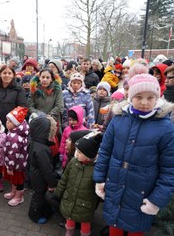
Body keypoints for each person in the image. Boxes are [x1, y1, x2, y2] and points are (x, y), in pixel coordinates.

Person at [93, 74, 174, 236]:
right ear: (130, 96)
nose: (144, 102)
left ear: (157, 97)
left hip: (142, 193)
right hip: (116, 184)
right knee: (114, 225)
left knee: (135, 230)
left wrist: (156, 200)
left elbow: (169, 169)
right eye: (139, 97)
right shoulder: (118, 119)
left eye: (150, 97)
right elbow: (105, 151)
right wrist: (100, 179)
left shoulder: (166, 128)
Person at [55, 131, 102, 236]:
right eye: (76, 150)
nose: (76, 154)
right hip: (70, 200)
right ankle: (69, 232)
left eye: (80, 152)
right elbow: (64, 179)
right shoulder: (73, 162)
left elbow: (98, 190)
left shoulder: (97, 169)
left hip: (85, 205)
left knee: (85, 225)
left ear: (89, 155)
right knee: (69, 220)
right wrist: (58, 192)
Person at [28, 116, 59, 224]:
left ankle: (46, 210)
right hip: (39, 176)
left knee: (40, 194)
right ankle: (34, 215)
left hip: (35, 173)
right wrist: (52, 183)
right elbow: (46, 169)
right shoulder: (42, 149)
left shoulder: (36, 142)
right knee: (38, 195)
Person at [3, 106, 29, 207]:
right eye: (7, 120)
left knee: (19, 180)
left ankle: (19, 197)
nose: (7, 123)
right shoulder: (13, 132)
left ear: (16, 124)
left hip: (17, 165)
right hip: (15, 164)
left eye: (10, 121)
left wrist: (10, 167)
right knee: (14, 179)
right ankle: (14, 192)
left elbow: (13, 154)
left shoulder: (15, 137)